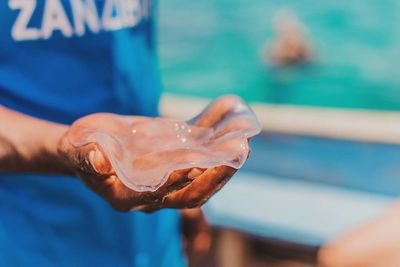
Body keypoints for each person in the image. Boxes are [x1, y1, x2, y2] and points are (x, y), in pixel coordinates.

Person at [0, 1, 235, 266]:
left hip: (153, 234)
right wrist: (61, 147)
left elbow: (132, 71)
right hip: (30, 241)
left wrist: (177, 173)